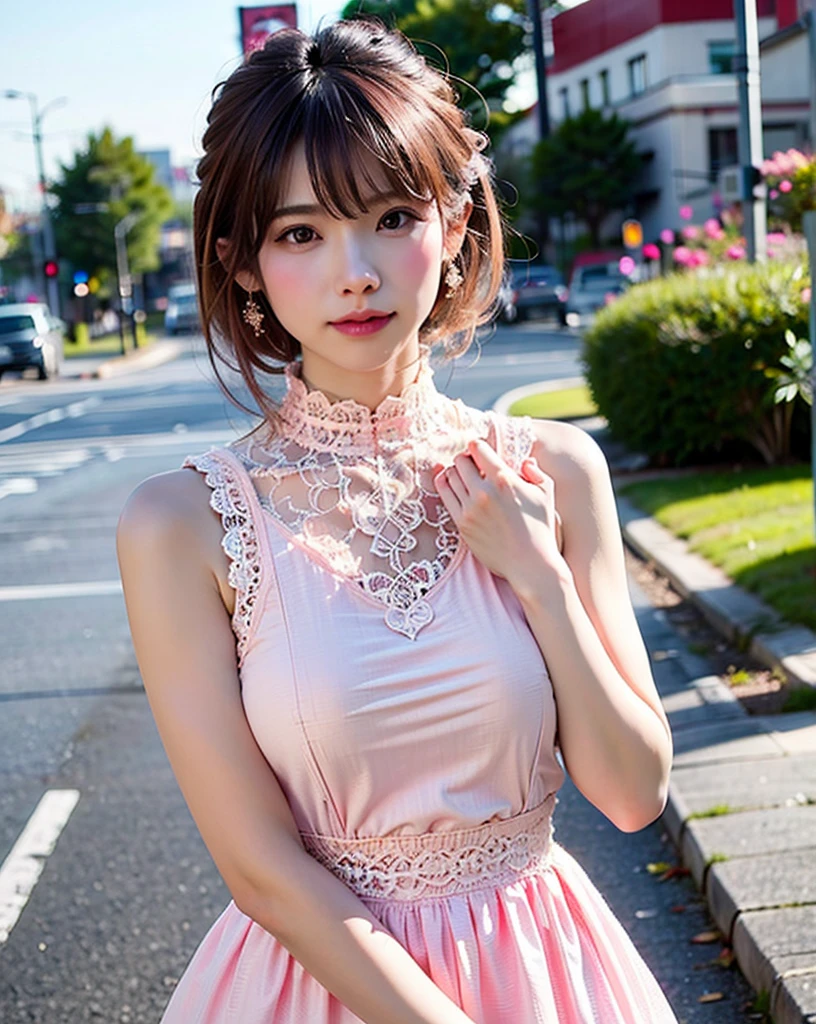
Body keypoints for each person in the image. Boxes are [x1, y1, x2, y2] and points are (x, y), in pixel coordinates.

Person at [116, 18, 677, 1024]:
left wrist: (541, 584)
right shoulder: (182, 524)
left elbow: (633, 793)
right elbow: (261, 868)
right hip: (319, 989)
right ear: (242, 262)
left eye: (388, 216)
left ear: (454, 219)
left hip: (548, 973)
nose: (356, 271)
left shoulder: (554, 470)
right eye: (301, 233)